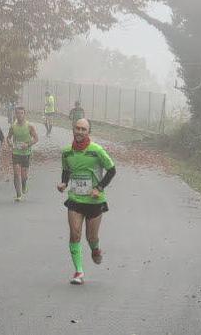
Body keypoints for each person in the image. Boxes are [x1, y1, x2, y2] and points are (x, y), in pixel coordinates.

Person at [56, 118, 116, 285]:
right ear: (73, 130)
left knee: (91, 237)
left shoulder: (97, 150)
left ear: (88, 132)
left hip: (94, 201)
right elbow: (66, 170)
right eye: (77, 128)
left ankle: (95, 249)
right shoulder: (67, 151)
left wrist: (99, 188)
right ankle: (79, 272)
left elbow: (112, 170)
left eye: (83, 129)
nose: (80, 132)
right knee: (75, 234)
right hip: (75, 199)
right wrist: (64, 183)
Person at [6, 107, 39, 202]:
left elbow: (36, 139)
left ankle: (24, 185)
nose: (19, 115)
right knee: (16, 174)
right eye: (18, 113)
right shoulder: (13, 126)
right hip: (16, 152)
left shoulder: (29, 126)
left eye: (21, 113)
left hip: (26, 153)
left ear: (24, 114)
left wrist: (28, 144)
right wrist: (10, 143)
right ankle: (18, 194)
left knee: (24, 176)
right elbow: (8, 137)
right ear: (15, 115)